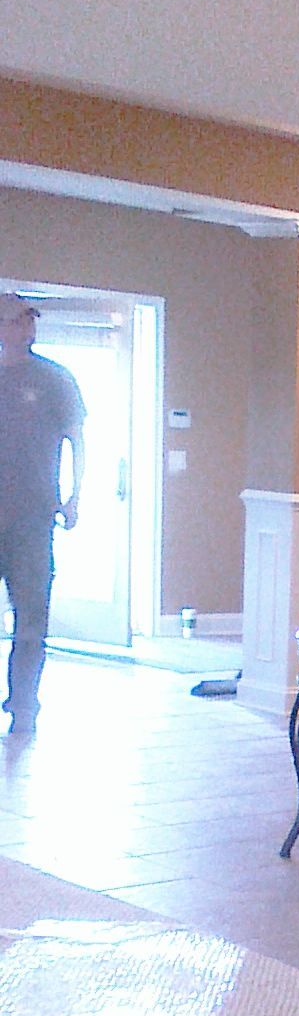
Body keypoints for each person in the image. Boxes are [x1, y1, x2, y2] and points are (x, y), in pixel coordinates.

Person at [0, 294, 84, 739]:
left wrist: (74, 498)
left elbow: (76, 438)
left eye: (29, 320)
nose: (25, 329)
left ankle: (24, 703)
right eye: (15, 321)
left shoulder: (54, 379)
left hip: (33, 520)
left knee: (31, 619)